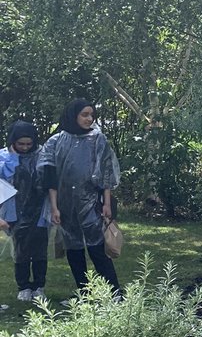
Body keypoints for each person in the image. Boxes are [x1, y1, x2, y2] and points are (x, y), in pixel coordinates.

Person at [38, 99, 121, 290]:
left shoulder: (98, 140)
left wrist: (106, 203)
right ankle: (84, 292)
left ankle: (113, 291)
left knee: (98, 248)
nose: (89, 119)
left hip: (91, 202)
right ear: (73, 115)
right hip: (65, 205)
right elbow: (50, 176)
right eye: (85, 114)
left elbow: (106, 172)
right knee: (73, 249)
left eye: (91, 115)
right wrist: (54, 206)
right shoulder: (56, 141)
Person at [0, 121, 50, 301]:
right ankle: (23, 286)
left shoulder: (41, 155)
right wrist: (13, 158)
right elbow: (3, 179)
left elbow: (48, 178)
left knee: (39, 250)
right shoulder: (4, 156)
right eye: (20, 144)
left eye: (28, 144)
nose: (25, 147)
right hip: (15, 210)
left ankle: (39, 285)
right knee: (21, 250)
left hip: (39, 209)